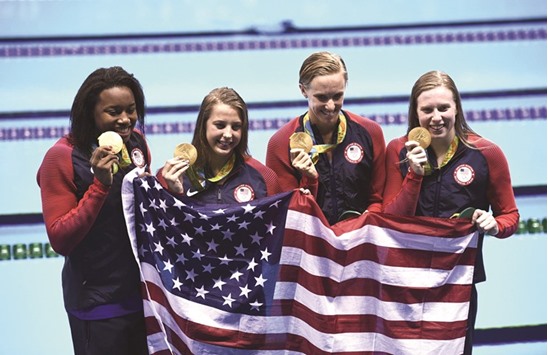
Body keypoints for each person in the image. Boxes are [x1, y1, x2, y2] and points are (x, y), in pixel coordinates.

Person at [383, 70, 519, 354]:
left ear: (456, 107)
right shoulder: (398, 150)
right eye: (427, 109)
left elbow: (510, 216)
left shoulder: (486, 153)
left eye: (444, 108)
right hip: (403, 282)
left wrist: (494, 224)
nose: (436, 117)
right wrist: (414, 176)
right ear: (415, 112)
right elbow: (390, 221)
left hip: (458, 285)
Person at [36, 66, 150, 355]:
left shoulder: (136, 144)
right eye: (113, 112)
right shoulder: (61, 158)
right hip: (96, 303)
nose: (125, 120)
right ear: (90, 113)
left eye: (131, 109)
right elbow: (61, 238)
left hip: (141, 296)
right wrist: (99, 185)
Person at [265, 51, 386, 225]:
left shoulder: (370, 133)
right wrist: (309, 180)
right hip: (310, 245)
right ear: (303, 90)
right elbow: (287, 215)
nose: (330, 106)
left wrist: (361, 226)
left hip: (359, 241)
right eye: (321, 97)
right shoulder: (281, 143)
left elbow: (378, 200)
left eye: (337, 96)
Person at [159, 86, 282, 203]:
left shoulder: (264, 177)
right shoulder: (170, 177)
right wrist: (175, 194)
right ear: (203, 126)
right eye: (220, 125)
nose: (228, 134)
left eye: (236, 127)